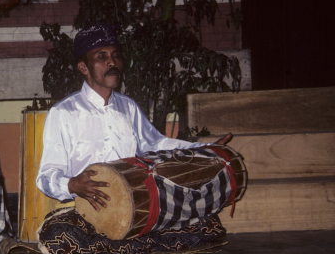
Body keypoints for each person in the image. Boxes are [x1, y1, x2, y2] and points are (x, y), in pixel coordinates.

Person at [36, 22, 232, 211]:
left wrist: (205, 150)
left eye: (115, 55)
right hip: (83, 209)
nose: (112, 62)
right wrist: (71, 185)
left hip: (131, 207)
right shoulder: (64, 113)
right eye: (101, 57)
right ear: (84, 67)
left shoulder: (128, 107)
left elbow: (157, 145)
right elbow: (46, 175)